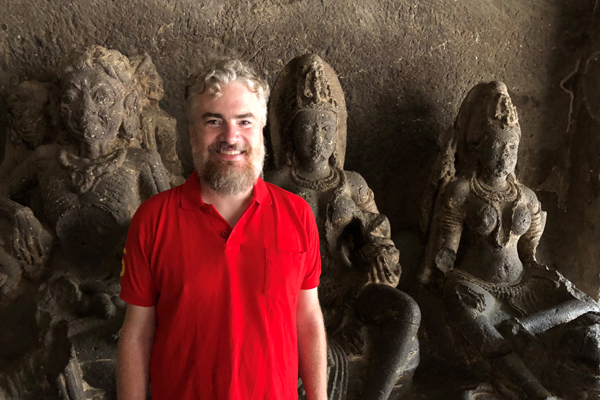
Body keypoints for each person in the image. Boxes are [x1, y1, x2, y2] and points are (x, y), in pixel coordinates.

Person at [117, 59, 328, 400]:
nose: (231, 137)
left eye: (244, 121)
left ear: (261, 130)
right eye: (214, 121)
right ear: (192, 133)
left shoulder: (297, 215)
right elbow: (137, 334)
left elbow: (308, 320)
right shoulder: (153, 220)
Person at [420, 81, 600, 399]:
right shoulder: (461, 192)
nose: (505, 156)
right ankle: (538, 392)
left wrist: (545, 276)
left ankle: (530, 332)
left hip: (524, 284)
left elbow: (530, 255)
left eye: (511, 148)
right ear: (477, 147)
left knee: (589, 305)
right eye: (497, 146)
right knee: (483, 329)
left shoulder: (527, 197)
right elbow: (444, 257)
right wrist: (448, 281)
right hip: (476, 286)